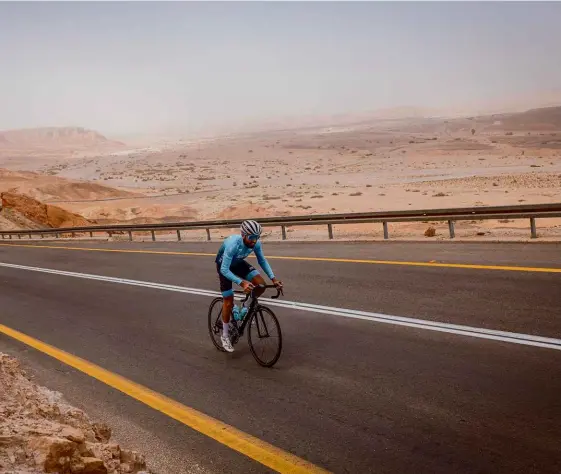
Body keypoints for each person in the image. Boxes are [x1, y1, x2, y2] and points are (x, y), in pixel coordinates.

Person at [215, 219, 282, 352]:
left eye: (257, 237)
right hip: (224, 266)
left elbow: (262, 260)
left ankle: (245, 306)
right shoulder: (233, 244)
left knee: (261, 285)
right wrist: (242, 282)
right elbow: (224, 270)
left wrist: (273, 279)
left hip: (238, 263)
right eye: (251, 237)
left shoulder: (255, 243)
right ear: (243, 235)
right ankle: (225, 336)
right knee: (228, 300)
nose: (254, 241)